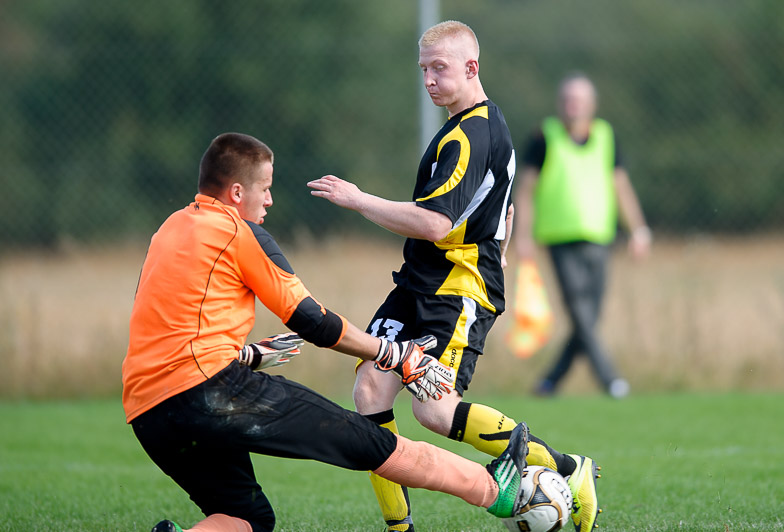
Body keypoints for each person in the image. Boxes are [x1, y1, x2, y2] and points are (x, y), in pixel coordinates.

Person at [121, 132, 534, 532]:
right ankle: (493, 490)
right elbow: (313, 321)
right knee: (373, 444)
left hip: (147, 413)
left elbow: (167, 325)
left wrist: (244, 355)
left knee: (249, 519)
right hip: (210, 391)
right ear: (235, 194)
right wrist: (392, 354)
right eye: (263, 188)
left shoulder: (171, 228)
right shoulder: (238, 231)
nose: (269, 199)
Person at [308, 21, 601, 532]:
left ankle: (571, 469)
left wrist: (358, 199)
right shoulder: (476, 124)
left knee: (435, 412)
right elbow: (503, 205)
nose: (428, 80)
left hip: (454, 290)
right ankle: (399, 527)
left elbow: (437, 223)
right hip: (419, 283)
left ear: (471, 68)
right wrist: (501, 248)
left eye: (438, 68)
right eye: (423, 69)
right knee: (369, 393)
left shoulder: (470, 134)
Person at [514, 72, 651, 399]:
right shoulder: (543, 138)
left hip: (600, 239)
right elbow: (525, 190)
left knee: (589, 318)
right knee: (579, 309)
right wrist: (523, 235)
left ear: (592, 105)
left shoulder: (606, 136)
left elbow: (621, 186)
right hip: (560, 240)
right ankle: (612, 381)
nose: (572, 105)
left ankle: (549, 382)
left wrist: (638, 229)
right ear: (560, 104)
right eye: (567, 99)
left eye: (579, 99)